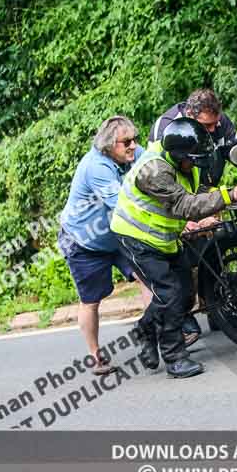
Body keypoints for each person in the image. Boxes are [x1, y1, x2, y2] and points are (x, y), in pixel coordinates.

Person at [111, 117, 237, 379]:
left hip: (164, 237)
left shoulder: (183, 157)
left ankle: (145, 328)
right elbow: (185, 206)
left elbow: (199, 191)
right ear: (179, 155)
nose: (196, 163)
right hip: (136, 237)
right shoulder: (154, 172)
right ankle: (175, 358)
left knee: (186, 294)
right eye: (193, 159)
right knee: (169, 295)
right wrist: (230, 195)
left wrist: (228, 199)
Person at [58, 115, 153, 375]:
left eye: (135, 139)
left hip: (116, 234)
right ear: (110, 146)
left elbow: (154, 163)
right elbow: (125, 207)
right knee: (91, 300)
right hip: (84, 241)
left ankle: (152, 333)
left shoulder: (131, 153)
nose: (134, 145)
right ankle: (95, 356)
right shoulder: (96, 167)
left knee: (147, 276)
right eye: (126, 142)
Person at [149, 88, 237, 184]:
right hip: (175, 191)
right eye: (207, 125)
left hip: (208, 187)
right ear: (189, 115)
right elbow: (161, 176)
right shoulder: (168, 129)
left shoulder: (216, 119)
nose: (213, 129)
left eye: (216, 123)